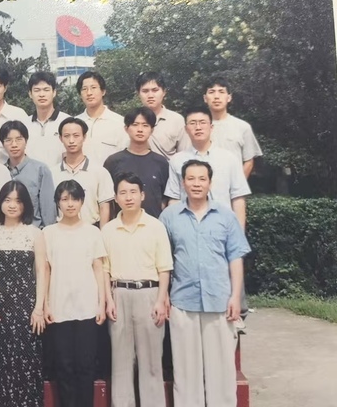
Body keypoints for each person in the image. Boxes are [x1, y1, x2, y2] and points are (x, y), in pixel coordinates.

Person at [160, 160, 251, 407]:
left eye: (202, 179)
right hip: (182, 302)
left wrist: (235, 296)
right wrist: (163, 295)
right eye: (191, 178)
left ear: (210, 182)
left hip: (219, 300)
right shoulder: (169, 217)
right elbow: (162, 260)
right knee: (185, 370)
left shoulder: (226, 216)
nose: (196, 184)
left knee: (221, 369)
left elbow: (235, 257)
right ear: (183, 183)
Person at [102, 172, 173, 407]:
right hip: (119, 295)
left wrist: (161, 300)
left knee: (151, 362)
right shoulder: (108, 230)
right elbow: (105, 270)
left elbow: (164, 267)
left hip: (149, 294)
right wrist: (109, 300)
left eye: (133, 192)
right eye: (123, 193)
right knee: (120, 363)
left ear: (142, 195)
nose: (128, 197)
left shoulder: (156, 226)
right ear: (116, 198)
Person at [43, 180, 107, 407]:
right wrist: (45, 304)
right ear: (58, 202)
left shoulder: (93, 232)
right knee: (64, 366)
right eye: (64, 199)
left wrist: (101, 303)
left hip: (87, 307)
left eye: (74, 199)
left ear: (82, 201)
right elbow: (46, 271)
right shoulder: (48, 233)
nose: (70, 204)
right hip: (59, 307)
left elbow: (98, 268)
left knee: (85, 366)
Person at [0, 181, 47, 407]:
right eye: (7, 200)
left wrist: (39, 308)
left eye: (18, 201)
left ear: (26, 205)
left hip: (26, 304)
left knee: (27, 360)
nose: (12, 205)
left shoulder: (34, 233)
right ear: (0, 203)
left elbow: (41, 271)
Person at [165, 106, 251, 229]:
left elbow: (238, 198)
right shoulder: (177, 160)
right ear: (186, 129)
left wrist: (239, 233)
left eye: (202, 122)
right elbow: (174, 198)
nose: (198, 127)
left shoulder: (229, 159)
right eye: (192, 123)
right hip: (187, 227)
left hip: (223, 227)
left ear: (211, 127)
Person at [103, 107, 169, 218]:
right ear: (126, 128)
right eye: (135, 125)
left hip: (153, 224)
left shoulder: (161, 162)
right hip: (121, 224)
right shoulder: (113, 161)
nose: (140, 129)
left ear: (152, 130)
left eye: (145, 125)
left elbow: (165, 199)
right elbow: (107, 200)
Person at [50, 117, 114, 227]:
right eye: (66, 136)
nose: (71, 141)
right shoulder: (52, 173)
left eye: (76, 136)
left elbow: (104, 207)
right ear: (60, 138)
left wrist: (102, 233)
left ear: (84, 137)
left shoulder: (99, 172)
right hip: (61, 230)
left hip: (92, 229)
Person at [203, 77, 263, 177]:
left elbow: (249, 161)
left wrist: (238, 184)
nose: (216, 97)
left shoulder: (242, 127)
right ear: (205, 98)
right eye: (212, 92)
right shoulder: (197, 127)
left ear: (229, 97)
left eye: (221, 92)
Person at [1, 120, 56, 228]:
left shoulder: (40, 170)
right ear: (3, 144)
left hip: (34, 231)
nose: (14, 145)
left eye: (19, 139)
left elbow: (48, 210)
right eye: (8, 140)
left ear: (26, 141)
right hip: (5, 232)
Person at [76, 71, 128, 165]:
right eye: (84, 89)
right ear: (80, 94)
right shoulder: (74, 124)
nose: (89, 93)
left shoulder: (120, 123)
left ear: (103, 91)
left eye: (93, 88)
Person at [135, 71, 190, 160]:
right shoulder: (132, 120)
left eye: (155, 90)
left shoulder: (177, 120)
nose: (150, 95)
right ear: (138, 94)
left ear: (164, 92)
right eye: (145, 91)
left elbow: (184, 156)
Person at [24, 71, 71, 167]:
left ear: (54, 92)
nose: (41, 94)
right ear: (30, 94)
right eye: (37, 90)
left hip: (60, 175)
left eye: (46, 90)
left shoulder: (68, 122)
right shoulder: (24, 124)